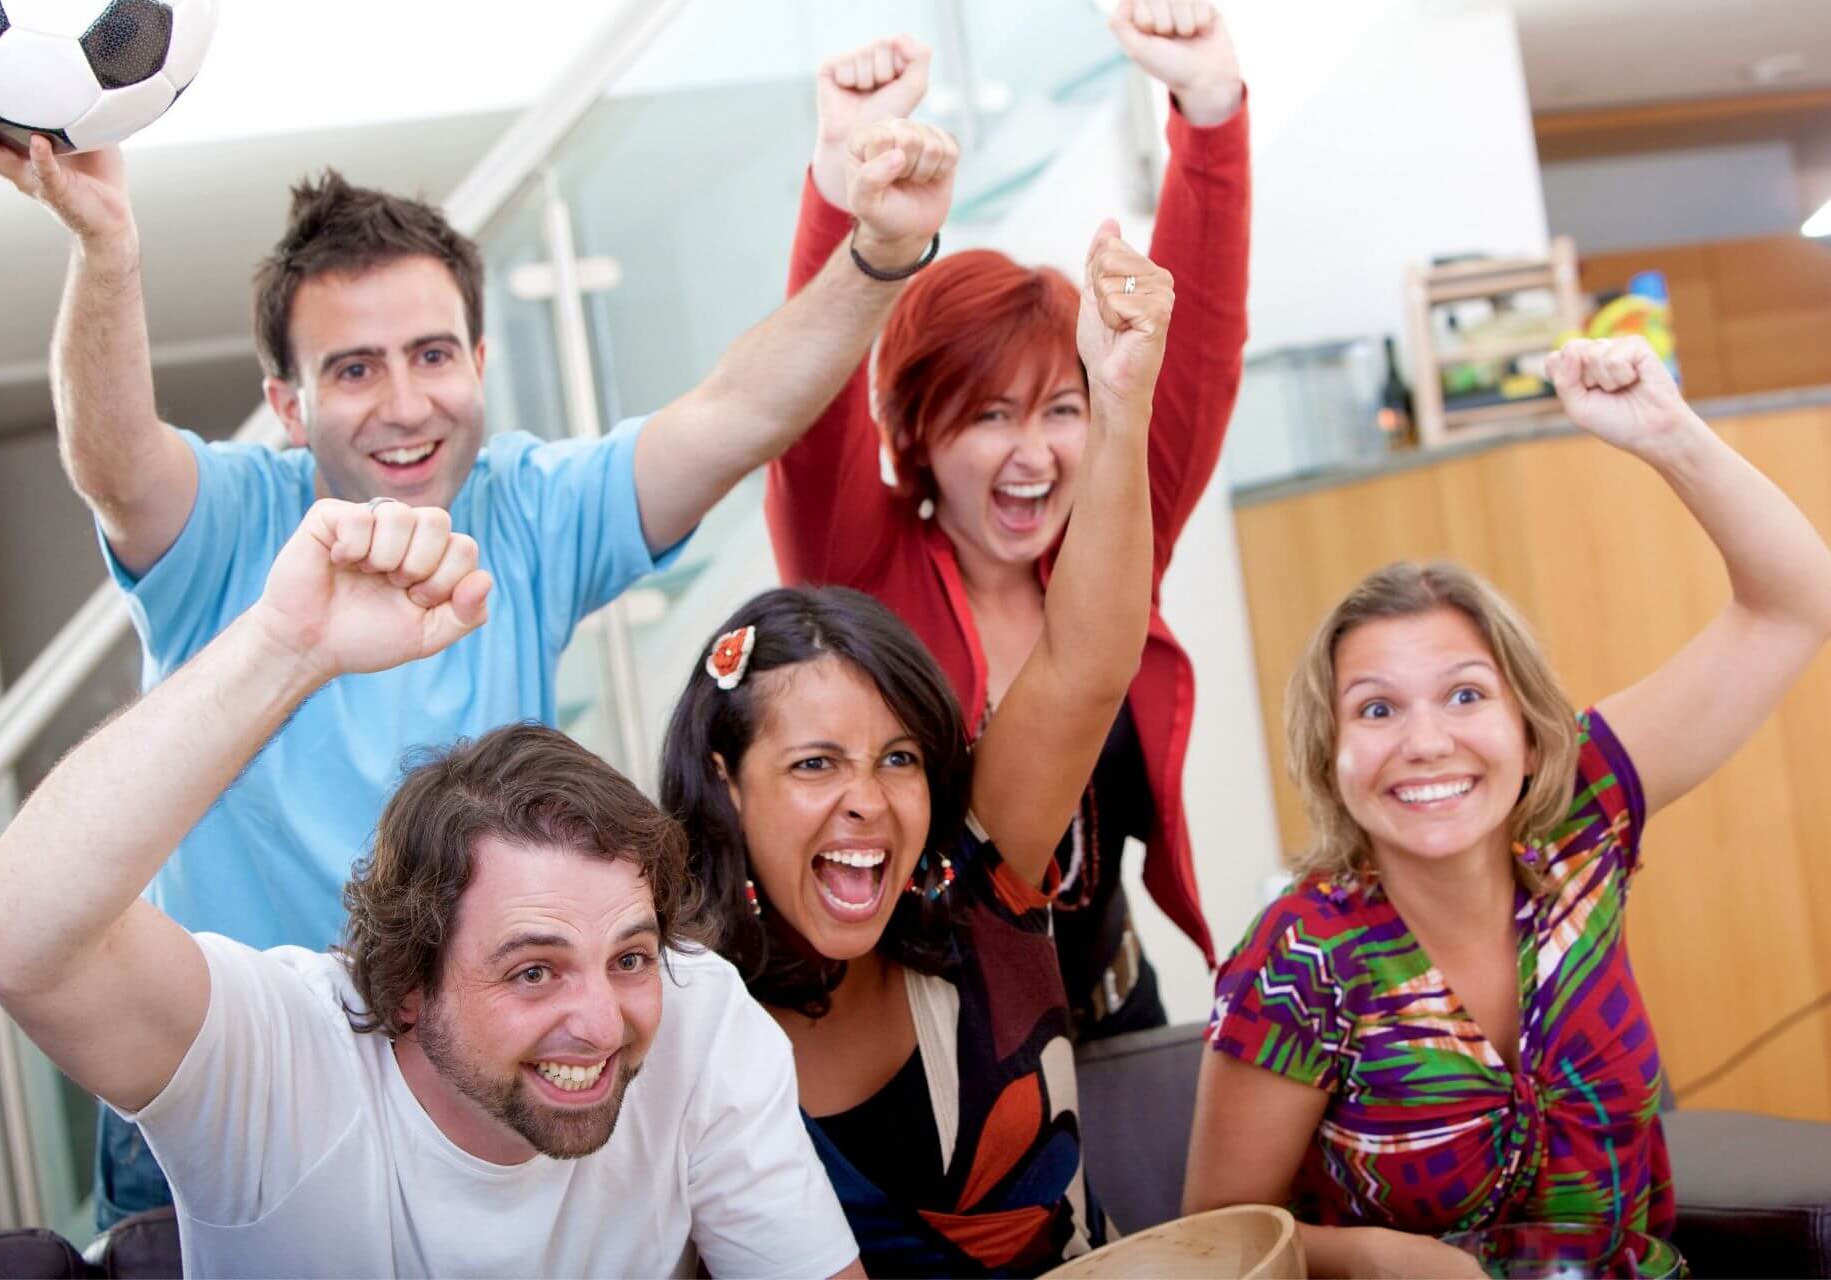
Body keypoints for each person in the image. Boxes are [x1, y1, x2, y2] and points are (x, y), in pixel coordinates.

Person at [0, 80, 956, 1222]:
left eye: (430, 354)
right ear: (287, 401)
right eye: (353, 369)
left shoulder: (527, 509)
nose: (405, 403)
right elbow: (115, 462)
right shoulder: (233, 521)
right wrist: (106, 248)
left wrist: (879, 253)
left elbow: (735, 415)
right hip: (232, 1070)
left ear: (475, 355)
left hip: (462, 1071)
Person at [0, 497, 865, 1279]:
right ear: (403, 987)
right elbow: (13, 932)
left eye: (627, 954)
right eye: (533, 972)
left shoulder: (694, 1015)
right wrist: (286, 646)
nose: (603, 1019)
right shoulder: (278, 1059)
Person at [1181, 338, 1831, 1277]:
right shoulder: (1298, 962)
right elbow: (1214, 1243)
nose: (1427, 741)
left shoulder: (1583, 827)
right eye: (1376, 708)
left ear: (1530, 731)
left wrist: (1668, 434)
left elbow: (1795, 603)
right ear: (1332, 757)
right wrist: (1369, 1259)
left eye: (1465, 695)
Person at [660, 219, 1173, 1276]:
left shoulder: (977, 894)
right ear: (725, 783)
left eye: (898, 758)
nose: (867, 799)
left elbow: (1087, 661)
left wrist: (1120, 404)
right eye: (813, 763)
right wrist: (860, 218)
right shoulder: (672, 1019)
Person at [765, 0, 1250, 1041]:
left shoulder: (1111, 546)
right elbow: (803, 417)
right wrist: (841, 189)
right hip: (944, 1052)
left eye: (1061, 410)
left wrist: (1208, 113)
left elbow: (1192, 353)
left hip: (1123, 1015)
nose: (1034, 455)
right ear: (920, 432)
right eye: (990, 415)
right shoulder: (861, 569)